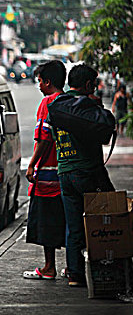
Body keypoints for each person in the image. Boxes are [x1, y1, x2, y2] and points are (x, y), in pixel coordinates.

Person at [49, 64, 115, 287]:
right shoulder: (89, 106)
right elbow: (105, 130)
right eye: (94, 84)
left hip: (65, 173)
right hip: (87, 171)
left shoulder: (57, 104)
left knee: (74, 226)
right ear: (88, 84)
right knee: (108, 219)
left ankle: (75, 274)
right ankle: (107, 268)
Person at [22, 60, 66, 281]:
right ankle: (72, 267)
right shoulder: (69, 101)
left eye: (39, 81)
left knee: (46, 222)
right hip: (66, 173)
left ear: (48, 82)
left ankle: (49, 267)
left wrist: (32, 164)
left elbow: (44, 138)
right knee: (67, 221)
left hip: (48, 175)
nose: (38, 86)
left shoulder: (48, 103)